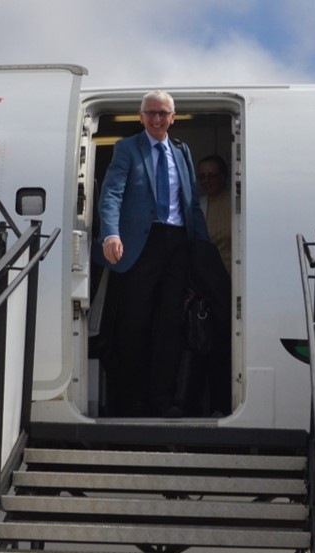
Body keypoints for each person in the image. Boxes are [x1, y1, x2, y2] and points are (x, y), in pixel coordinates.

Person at [94, 90, 210, 417]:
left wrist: (201, 249)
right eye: (151, 113)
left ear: (173, 117)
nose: (157, 119)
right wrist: (111, 234)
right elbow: (112, 194)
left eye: (163, 113)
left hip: (177, 244)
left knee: (170, 325)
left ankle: (163, 400)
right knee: (135, 325)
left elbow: (191, 206)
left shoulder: (182, 151)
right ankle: (132, 401)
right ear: (140, 116)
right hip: (141, 246)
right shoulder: (127, 148)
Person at [196, 154, 232, 273]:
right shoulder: (197, 206)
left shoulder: (237, 204)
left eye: (211, 176)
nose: (206, 181)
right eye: (202, 177)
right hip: (209, 279)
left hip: (235, 276)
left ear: (222, 177)